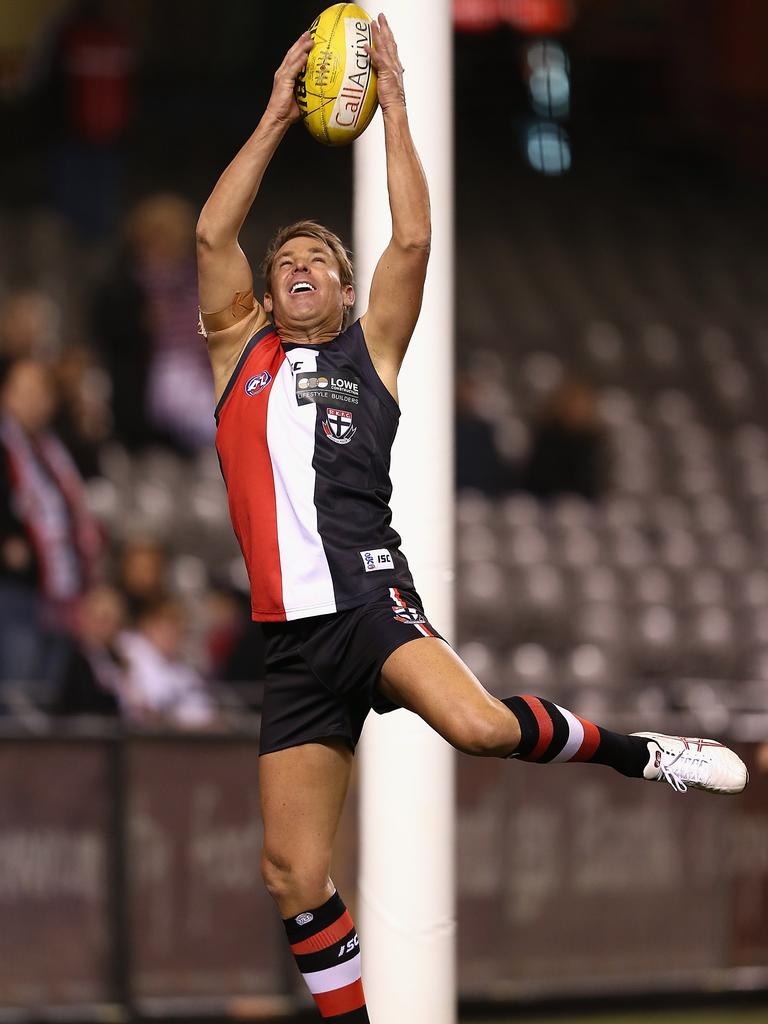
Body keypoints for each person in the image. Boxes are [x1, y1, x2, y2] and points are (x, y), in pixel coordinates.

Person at [196, 17, 748, 1023]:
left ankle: (641, 752)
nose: (302, 264)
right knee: (291, 872)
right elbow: (207, 237)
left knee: (483, 727)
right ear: (267, 294)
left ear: (350, 287)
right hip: (290, 644)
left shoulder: (373, 356)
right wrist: (279, 113)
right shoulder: (242, 356)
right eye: (287, 261)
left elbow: (412, 237)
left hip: (368, 599)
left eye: (320, 254)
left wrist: (398, 105)